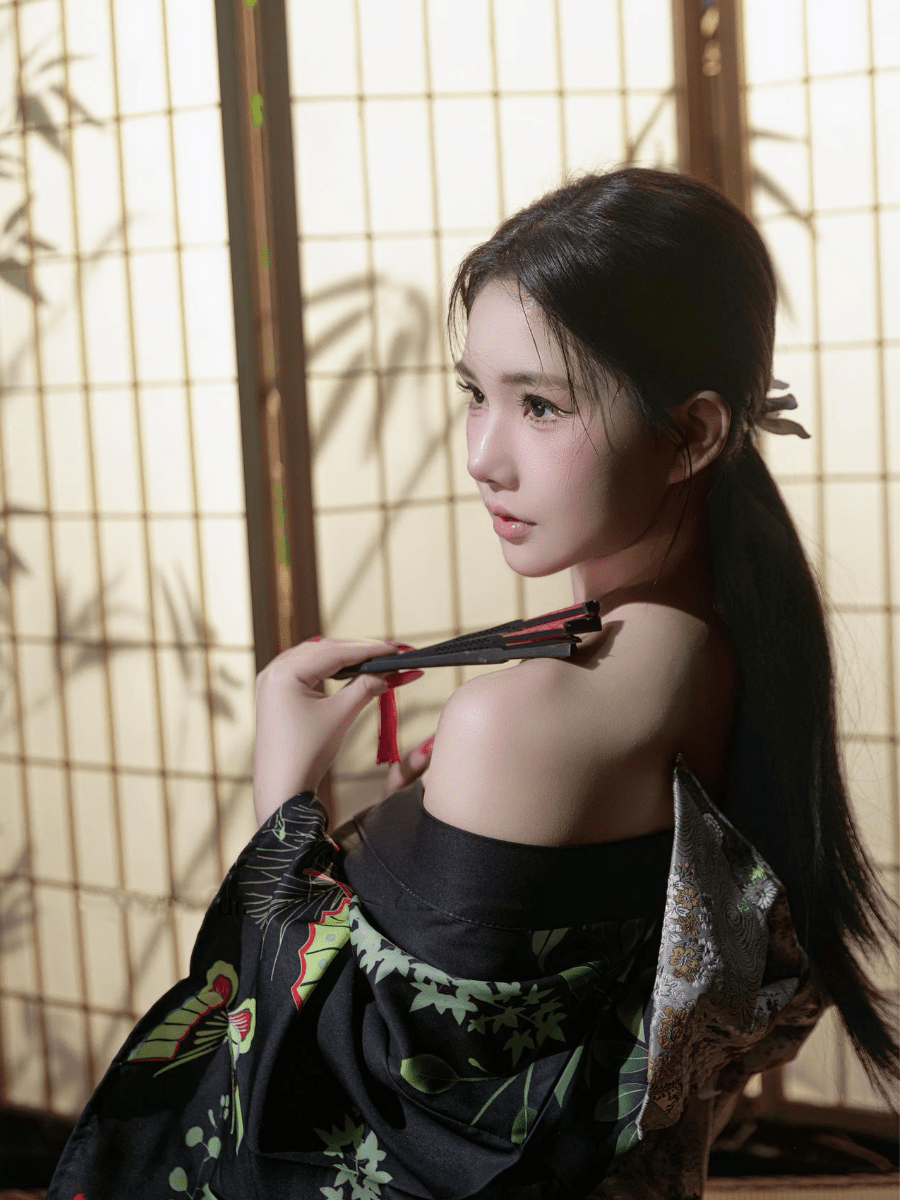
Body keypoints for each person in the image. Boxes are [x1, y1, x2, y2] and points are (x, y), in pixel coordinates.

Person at [47, 167, 897, 1200]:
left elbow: (379, 1120)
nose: (482, 457)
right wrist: (428, 829)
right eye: (475, 394)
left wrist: (286, 809)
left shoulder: (527, 714)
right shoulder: (730, 644)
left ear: (694, 433)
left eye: (539, 405)